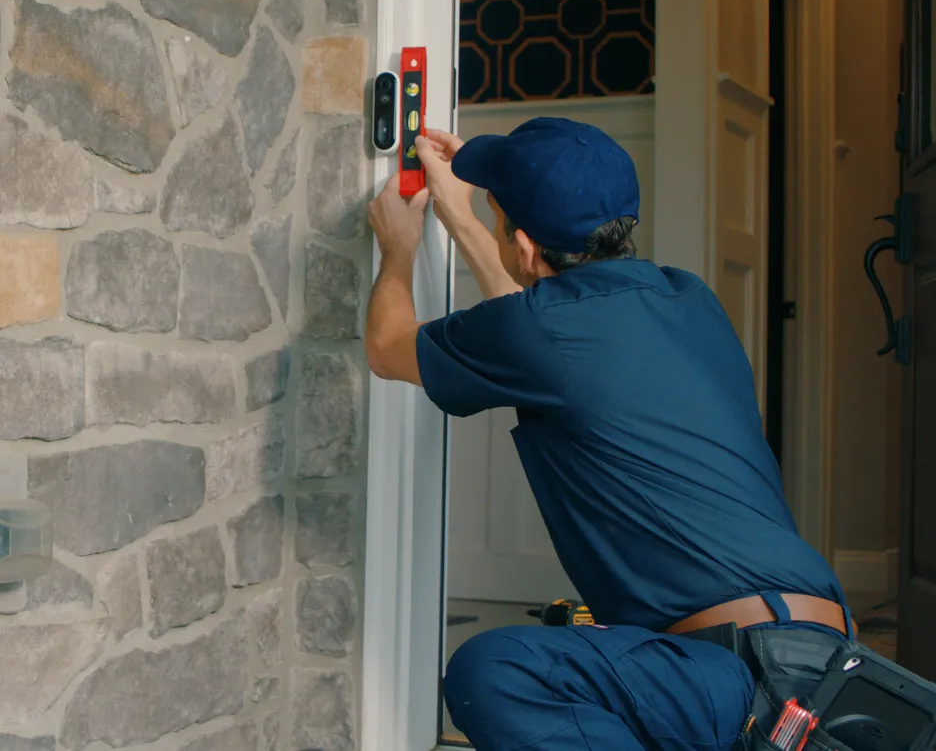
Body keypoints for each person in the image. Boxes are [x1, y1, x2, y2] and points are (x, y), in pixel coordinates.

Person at [365, 117, 854, 751]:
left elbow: (386, 346)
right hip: (824, 659)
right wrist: (466, 221)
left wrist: (398, 249)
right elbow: (540, 324)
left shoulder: (541, 333)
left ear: (525, 247)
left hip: (734, 684)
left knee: (495, 671)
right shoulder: (690, 299)